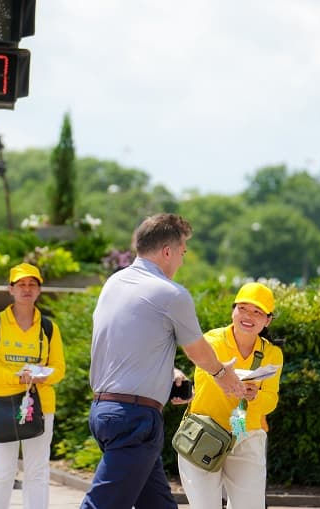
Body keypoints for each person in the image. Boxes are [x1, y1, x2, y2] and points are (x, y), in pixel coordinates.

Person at [81, 213, 246, 509]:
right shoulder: (170, 293)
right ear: (167, 251)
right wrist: (224, 376)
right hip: (135, 418)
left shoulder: (114, 284)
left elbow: (118, 344)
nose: (182, 261)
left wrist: (166, 372)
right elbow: (197, 350)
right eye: (182, 253)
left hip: (105, 411)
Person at [177, 282, 284, 509]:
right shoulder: (212, 341)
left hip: (245, 434)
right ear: (233, 310)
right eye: (243, 308)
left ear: (268, 320)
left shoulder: (273, 354)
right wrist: (227, 379)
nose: (248, 316)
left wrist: (255, 396)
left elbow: (271, 400)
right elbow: (205, 380)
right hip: (205, 433)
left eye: (257, 312)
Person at [0, 263, 66, 509]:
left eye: (32, 284)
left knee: (38, 470)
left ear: (39, 291)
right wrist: (17, 378)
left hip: (41, 406)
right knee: (2, 470)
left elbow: (59, 367)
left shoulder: (49, 328)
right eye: (21, 284)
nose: (27, 289)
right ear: (10, 289)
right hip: (3, 404)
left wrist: (42, 376)